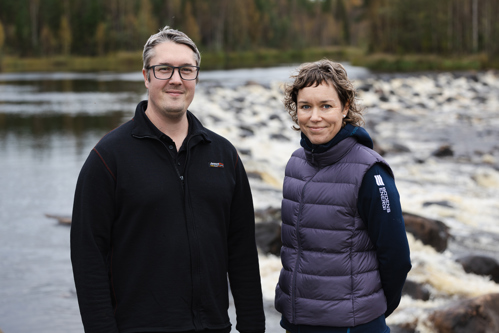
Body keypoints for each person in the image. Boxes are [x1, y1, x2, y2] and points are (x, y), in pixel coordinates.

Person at [70, 26, 266, 333]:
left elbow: (241, 250)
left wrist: (253, 326)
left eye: (186, 70)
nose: (176, 79)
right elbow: (88, 258)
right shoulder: (108, 158)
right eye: (164, 69)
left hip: (213, 327)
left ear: (196, 78)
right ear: (146, 76)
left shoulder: (224, 154)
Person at [274, 59, 411, 333]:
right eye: (305, 107)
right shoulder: (295, 163)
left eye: (326, 106)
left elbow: (396, 257)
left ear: (345, 107)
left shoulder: (370, 172)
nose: (314, 117)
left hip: (352, 325)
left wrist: (372, 311)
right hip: (298, 321)